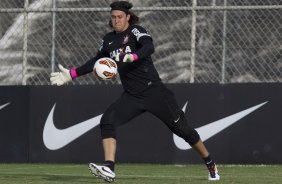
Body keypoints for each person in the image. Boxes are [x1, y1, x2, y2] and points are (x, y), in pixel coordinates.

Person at [50, 1, 220, 182]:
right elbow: (97, 60)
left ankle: (210, 163)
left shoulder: (136, 31)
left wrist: (134, 55)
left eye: (120, 17)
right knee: (107, 121)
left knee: (185, 132)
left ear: (128, 17)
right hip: (132, 96)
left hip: (154, 92)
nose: (116, 20)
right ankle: (109, 168)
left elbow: (149, 47)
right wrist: (72, 74)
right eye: (113, 17)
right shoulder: (108, 40)